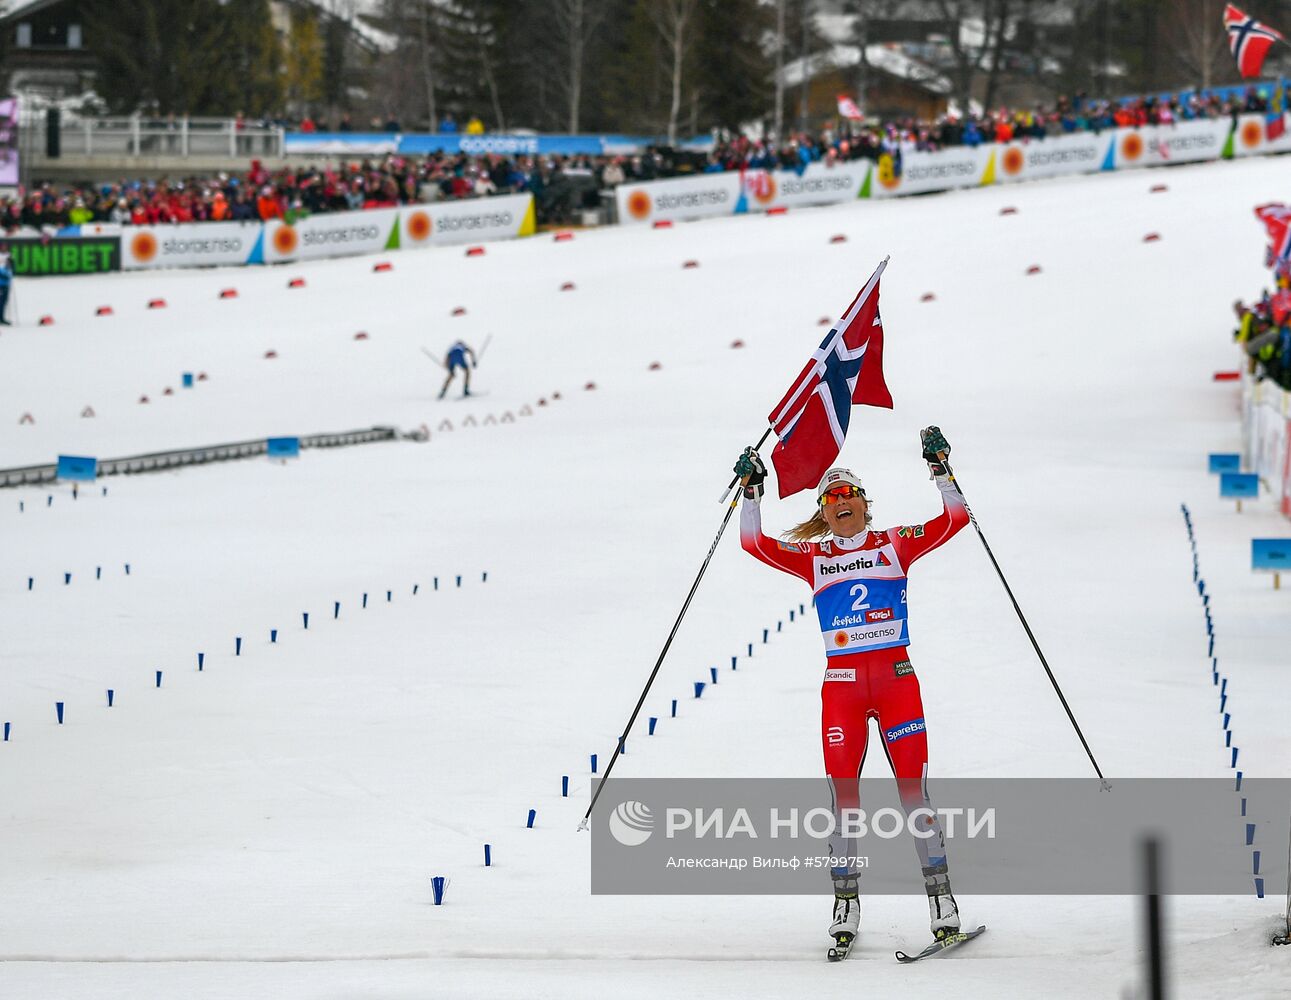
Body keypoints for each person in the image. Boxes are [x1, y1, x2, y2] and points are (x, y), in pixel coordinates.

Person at [732, 427, 969, 954]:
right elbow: (753, 543)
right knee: (844, 799)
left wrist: (940, 468)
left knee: (914, 793)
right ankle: (846, 903)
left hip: (896, 681)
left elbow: (955, 519)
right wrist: (752, 491)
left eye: (848, 494)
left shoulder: (895, 543)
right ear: (824, 511)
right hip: (842, 688)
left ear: (864, 503)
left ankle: (942, 900)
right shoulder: (814, 556)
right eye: (831, 497)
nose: (841, 502)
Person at [0, 242, 14, 324]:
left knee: (4, 301)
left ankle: (1, 317)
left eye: (5, 246)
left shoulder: (9, 256)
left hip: (5, 283)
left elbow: (11, 268)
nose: (4, 248)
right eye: (2, 246)